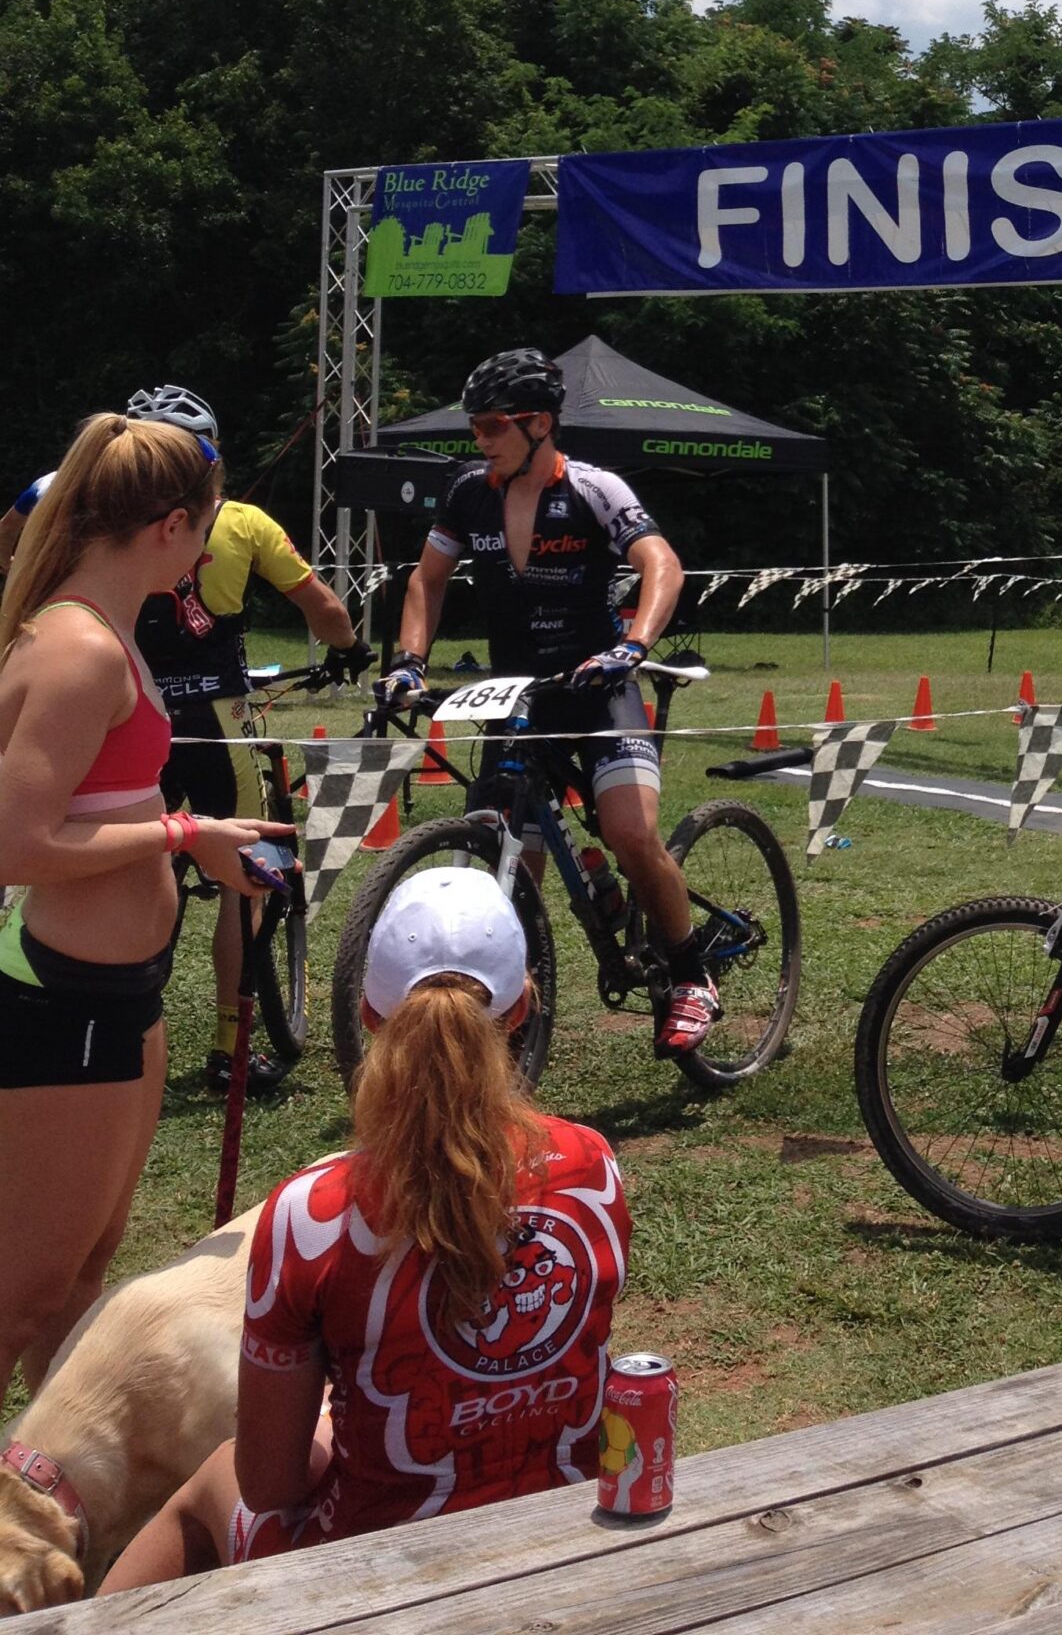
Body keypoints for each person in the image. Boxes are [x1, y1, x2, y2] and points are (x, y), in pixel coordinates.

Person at [101, 867, 631, 1582]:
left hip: (381, 1570)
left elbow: (270, 1485)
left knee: (214, 1484)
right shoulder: (594, 1168)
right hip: (562, 1530)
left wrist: (328, 1422)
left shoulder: (311, 1215)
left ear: (372, 1016)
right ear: (523, 1004)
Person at [0, 415, 295, 1401]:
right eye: (208, 526)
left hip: (120, 990)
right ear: (172, 523)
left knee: (81, 1277)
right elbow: (16, 843)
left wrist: (195, 834)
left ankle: (44, 1505)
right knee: (26, 1297)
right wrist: (184, 838)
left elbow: (96, 805)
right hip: (63, 997)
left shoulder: (107, 626)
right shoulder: (79, 645)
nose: (213, 547)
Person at [381, 348, 712, 1055]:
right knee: (510, 859)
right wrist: (410, 661)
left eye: (492, 426)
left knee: (629, 833)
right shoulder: (470, 493)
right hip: (518, 695)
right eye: (474, 427)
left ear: (539, 423)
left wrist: (634, 645)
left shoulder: (594, 489)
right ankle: (510, 1006)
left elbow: (662, 563)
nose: (479, 440)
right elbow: (427, 580)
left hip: (597, 690)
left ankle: (691, 975)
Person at [123, 386, 359, 1098]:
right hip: (222, 720)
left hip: (135, 716)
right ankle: (231, 1047)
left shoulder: (105, 521)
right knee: (246, 879)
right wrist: (348, 647)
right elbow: (322, 607)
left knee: (137, 864)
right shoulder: (244, 521)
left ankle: (130, 1025)